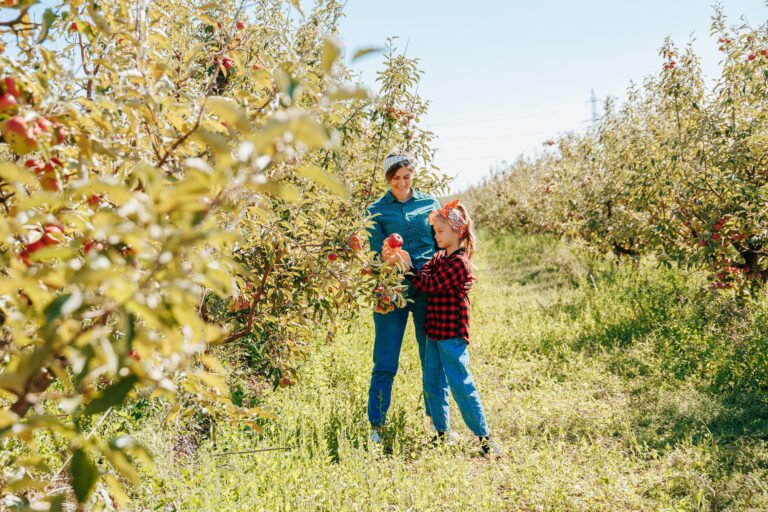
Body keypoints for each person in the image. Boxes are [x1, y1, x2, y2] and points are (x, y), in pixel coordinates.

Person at [389, 199, 500, 456]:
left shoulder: (459, 263)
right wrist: (405, 262)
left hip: (451, 332)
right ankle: (441, 433)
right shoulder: (439, 257)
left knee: (460, 382)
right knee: (432, 382)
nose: (435, 236)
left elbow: (430, 284)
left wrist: (408, 270)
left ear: (457, 231)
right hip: (434, 330)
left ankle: (484, 437)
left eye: (440, 231)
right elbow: (424, 274)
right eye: (435, 231)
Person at [365, 152, 442, 444]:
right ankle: (377, 425)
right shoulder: (376, 210)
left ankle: (438, 423)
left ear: (413, 175)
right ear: (388, 179)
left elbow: (442, 242)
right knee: (385, 359)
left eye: (406, 177)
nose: (402, 183)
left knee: (431, 356)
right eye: (395, 179)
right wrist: (384, 256)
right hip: (391, 289)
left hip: (427, 288)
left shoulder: (429, 203)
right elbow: (373, 254)